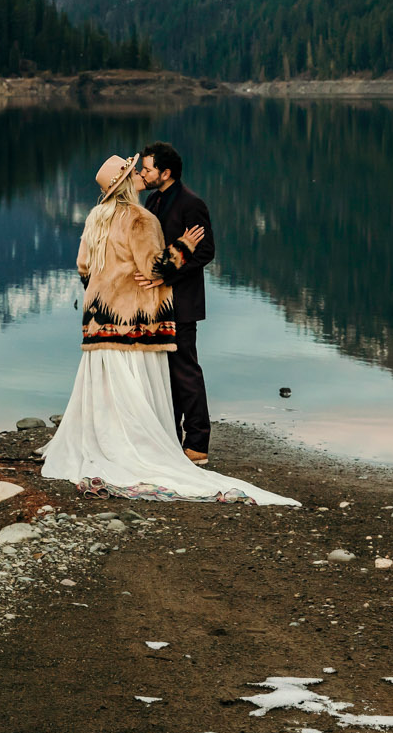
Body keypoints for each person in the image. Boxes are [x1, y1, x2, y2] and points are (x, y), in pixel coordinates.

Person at [42, 154, 296, 506]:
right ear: (129, 181)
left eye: (144, 169)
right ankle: (155, 445)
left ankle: (109, 442)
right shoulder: (139, 218)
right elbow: (153, 266)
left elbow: (84, 268)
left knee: (108, 388)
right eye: (137, 172)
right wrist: (183, 247)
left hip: (98, 321)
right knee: (137, 387)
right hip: (133, 322)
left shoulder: (95, 218)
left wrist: (104, 286)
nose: (141, 175)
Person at [135, 141, 215, 463]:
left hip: (181, 302)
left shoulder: (191, 204)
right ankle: (173, 438)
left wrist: (166, 277)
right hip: (160, 302)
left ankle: (198, 444)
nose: (143, 172)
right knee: (167, 373)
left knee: (185, 372)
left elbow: (206, 252)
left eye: (148, 168)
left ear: (166, 173)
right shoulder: (154, 198)